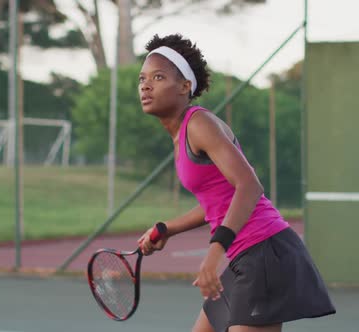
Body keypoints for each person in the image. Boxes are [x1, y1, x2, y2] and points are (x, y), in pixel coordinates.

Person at [137, 33, 335, 332]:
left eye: (158, 77)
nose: (146, 85)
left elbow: (250, 186)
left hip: (266, 251)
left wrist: (214, 253)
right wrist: (167, 228)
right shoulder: (181, 136)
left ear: (185, 86)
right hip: (246, 256)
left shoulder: (199, 124)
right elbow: (218, 203)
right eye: (142, 79)